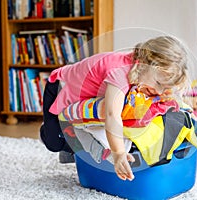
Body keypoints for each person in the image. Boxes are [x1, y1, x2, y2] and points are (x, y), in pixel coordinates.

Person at [40, 35, 189, 181]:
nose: (160, 91)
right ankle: (53, 135)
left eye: (165, 87)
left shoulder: (143, 71)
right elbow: (112, 115)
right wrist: (118, 153)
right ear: (145, 62)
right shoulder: (119, 74)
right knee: (55, 143)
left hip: (88, 98)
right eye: (158, 84)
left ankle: (74, 144)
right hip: (60, 88)